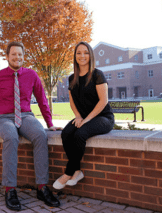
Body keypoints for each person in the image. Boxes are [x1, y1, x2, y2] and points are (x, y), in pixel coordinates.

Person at [0, 41, 61, 211]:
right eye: (13, 54)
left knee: (40, 135)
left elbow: (42, 100)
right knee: (11, 137)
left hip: (26, 116)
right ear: (7, 57)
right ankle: (10, 190)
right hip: (4, 118)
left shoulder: (32, 75)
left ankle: (42, 187)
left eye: (20, 54)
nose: (17, 57)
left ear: (23, 56)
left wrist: (49, 124)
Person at [53, 41, 114, 190]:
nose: (82, 56)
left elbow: (103, 101)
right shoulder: (72, 78)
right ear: (75, 56)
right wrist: (78, 116)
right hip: (83, 117)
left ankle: (68, 173)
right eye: (79, 52)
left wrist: (86, 120)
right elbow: (72, 101)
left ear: (91, 55)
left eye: (86, 52)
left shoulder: (97, 75)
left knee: (80, 134)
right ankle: (77, 171)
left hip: (103, 117)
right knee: (66, 133)